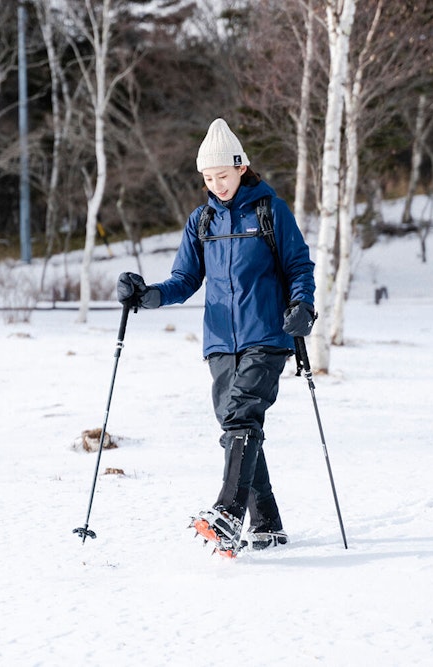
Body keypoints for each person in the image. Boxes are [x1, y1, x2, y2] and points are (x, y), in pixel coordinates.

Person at [116, 118, 316, 555]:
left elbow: (299, 266)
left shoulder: (270, 212)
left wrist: (303, 306)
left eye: (222, 176)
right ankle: (267, 524)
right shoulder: (200, 221)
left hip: (267, 336)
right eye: (208, 178)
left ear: (241, 168)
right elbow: (184, 279)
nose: (216, 184)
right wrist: (148, 295)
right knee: (237, 426)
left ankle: (228, 513)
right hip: (220, 344)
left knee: (241, 416)